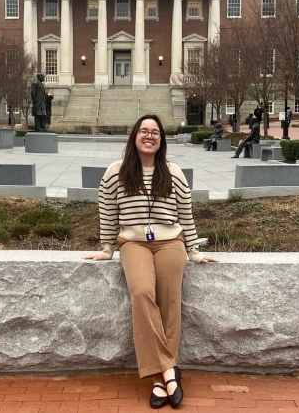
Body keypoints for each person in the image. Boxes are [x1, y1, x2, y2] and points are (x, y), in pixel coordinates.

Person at [84, 114, 218, 409]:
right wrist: (107, 248)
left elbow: (186, 213)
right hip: (133, 243)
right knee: (143, 292)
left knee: (170, 299)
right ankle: (171, 370)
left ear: (161, 139)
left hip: (171, 241)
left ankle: (159, 379)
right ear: (134, 136)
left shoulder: (172, 172)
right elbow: (107, 210)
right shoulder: (116, 172)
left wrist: (193, 250)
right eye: (144, 131)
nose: (149, 136)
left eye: (155, 132)